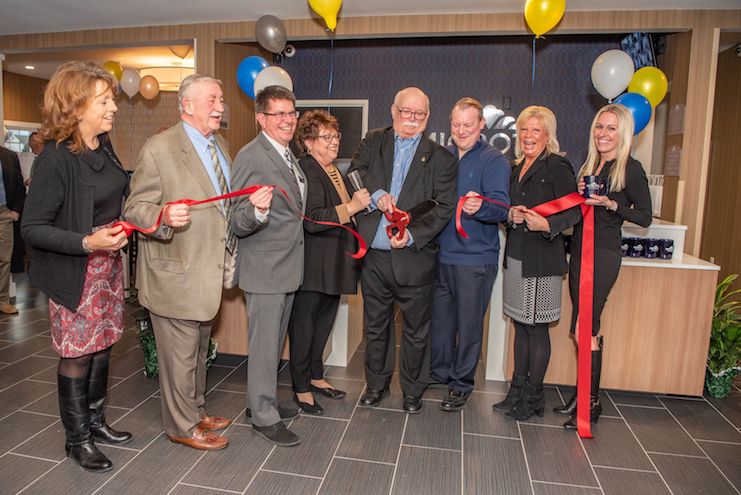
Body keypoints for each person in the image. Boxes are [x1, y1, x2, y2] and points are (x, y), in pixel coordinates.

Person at [21, 61, 132, 472]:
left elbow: (111, 196)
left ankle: (97, 421)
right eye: (104, 101)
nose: (113, 108)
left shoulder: (102, 144)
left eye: (111, 100)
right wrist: (88, 241)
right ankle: (77, 439)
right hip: (76, 271)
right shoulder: (55, 157)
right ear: (76, 106)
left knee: (103, 345)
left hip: (107, 265)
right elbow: (32, 229)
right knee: (77, 355)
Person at [124, 74, 236, 451]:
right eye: (212, 99)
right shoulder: (159, 148)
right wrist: (163, 217)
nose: (220, 106)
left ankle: (196, 411)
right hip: (174, 273)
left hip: (207, 272)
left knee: (197, 353)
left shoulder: (219, 145)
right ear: (187, 104)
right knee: (178, 359)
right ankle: (181, 426)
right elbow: (134, 209)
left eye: (221, 99)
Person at [348, 87, 458, 414]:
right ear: (393, 111)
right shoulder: (373, 140)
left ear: (427, 117)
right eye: (406, 112)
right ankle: (376, 385)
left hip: (414, 258)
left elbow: (443, 206)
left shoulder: (441, 158)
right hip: (374, 258)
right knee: (375, 326)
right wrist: (377, 193)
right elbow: (353, 173)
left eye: (419, 114)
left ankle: (412, 390)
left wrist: (411, 236)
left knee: (416, 331)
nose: (411, 119)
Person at [555, 104, 652, 429]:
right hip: (580, 251)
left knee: (587, 327)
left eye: (611, 128)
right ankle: (584, 392)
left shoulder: (631, 168)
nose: (603, 134)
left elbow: (645, 217)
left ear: (622, 133)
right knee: (579, 329)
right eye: (599, 127)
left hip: (603, 254)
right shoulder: (591, 165)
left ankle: (590, 403)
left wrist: (611, 204)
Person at [492, 105, 580, 421]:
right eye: (524, 130)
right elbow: (511, 208)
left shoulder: (557, 165)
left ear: (548, 135)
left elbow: (574, 211)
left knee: (537, 329)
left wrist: (549, 226)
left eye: (535, 131)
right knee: (520, 326)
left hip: (543, 261)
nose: (528, 136)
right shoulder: (516, 167)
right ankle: (516, 392)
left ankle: (533, 398)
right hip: (516, 256)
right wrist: (511, 217)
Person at [230, 85, 304, 447]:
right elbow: (237, 218)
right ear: (261, 119)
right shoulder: (251, 156)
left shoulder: (288, 153)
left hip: (287, 265)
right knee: (263, 345)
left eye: (291, 113)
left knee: (273, 343)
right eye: (279, 115)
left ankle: (261, 402)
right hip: (264, 267)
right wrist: (256, 210)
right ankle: (263, 417)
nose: (288, 120)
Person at [287, 110, 371, 415]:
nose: (334, 141)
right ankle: (300, 388)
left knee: (322, 325)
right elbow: (312, 218)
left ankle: (315, 376)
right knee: (304, 327)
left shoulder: (334, 169)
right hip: (312, 264)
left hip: (334, 263)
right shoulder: (307, 169)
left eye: (336, 136)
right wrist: (352, 206)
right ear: (309, 142)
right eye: (326, 136)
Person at [429, 98, 510, 411]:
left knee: (469, 325)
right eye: (456, 124)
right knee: (441, 323)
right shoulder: (443, 158)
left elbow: (502, 207)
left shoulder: (493, 160)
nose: (461, 130)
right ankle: (440, 373)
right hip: (441, 256)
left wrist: (482, 207)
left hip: (475, 260)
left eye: (468, 124)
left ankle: (461, 384)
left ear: (481, 126)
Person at [0, 144, 25, 314]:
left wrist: (15, 211)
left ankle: (2, 301)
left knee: (4, 259)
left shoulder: (9, 156)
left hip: (4, 213)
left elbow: (18, 185)